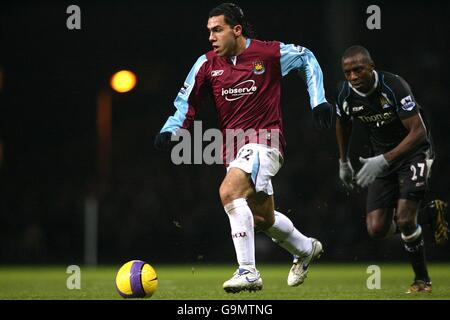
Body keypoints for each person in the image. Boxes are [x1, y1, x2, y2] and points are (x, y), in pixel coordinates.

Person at [154, 3, 333, 293]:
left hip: (267, 142)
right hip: (233, 150)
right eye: (209, 31)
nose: (211, 37)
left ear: (236, 30)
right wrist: (171, 129)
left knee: (229, 191)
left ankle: (248, 272)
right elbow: (187, 103)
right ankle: (305, 248)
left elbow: (306, 58)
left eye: (217, 30)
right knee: (263, 219)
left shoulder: (268, 54)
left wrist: (319, 100)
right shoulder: (206, 64)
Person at [335, 45, 448, 294]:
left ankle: (422, 281)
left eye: (358, 70)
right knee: (376, 229)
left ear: (371, 66)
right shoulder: (345, 93)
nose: (353, 77)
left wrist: (384, 159)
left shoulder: (394, 87)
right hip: (381, 158)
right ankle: (430, 214)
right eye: (347, 72)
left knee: (405, 218)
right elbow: (342, 123)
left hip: (414, 154)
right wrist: (343, 161)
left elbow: (419, 133)